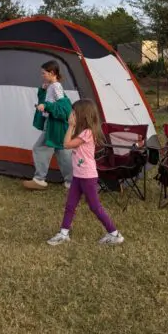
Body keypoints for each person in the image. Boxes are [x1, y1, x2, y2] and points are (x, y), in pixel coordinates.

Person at [47, 99, 124, 246]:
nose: (71, 115)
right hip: (78, 175)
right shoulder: (82, 132)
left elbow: (66, 144)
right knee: (70, 205)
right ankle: (63, 233)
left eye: (74, 113)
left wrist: (70, 126)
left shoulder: (87, 133)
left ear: (82, 115)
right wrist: (72, 127)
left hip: (87, 176)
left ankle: (115, 234)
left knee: (95, 206)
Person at [23, 61, 73, 190]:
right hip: (55, 126)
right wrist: (43, 90)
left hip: (54, 126)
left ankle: (39, 179)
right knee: (63, 153)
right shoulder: (51, 86)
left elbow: (65, 108)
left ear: (52, 73)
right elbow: (48, 101)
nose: (42, 75)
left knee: (39, 148)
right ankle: (72, 182)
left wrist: (46, 106)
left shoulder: (56, 87)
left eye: (44, 73)